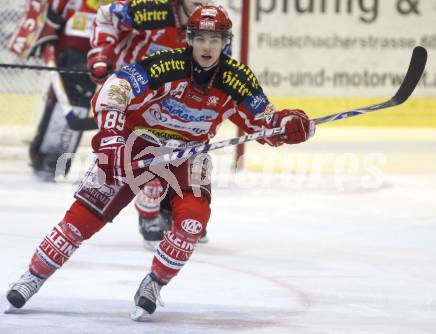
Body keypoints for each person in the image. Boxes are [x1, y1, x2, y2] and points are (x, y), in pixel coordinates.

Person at [6, 4, 315, 320]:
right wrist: (111, 137)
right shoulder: (164, 64)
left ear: (225, 42)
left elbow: (264, 121)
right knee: (82, 218)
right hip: (134, 144)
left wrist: (289, 125)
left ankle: (154, 284)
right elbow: (116, 88)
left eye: (215, 39)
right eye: (202, 38)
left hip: (189, 155)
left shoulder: (237, 80)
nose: (208, 47)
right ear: (189, 39)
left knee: (194, 221)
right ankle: (34, 275)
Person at [87, 0, 210, 248]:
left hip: (174, 105)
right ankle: (148, 211)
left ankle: (174, 207)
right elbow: (105, 16)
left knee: (189, 151)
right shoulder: (150, 10)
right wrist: (102, 54)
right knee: (144, 156)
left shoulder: (210, 25)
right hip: (133, 101)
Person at [13, 0, 113, 180]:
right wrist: (43, 36)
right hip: (68, 56)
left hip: (96, 60)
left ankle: (54, 162)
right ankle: (46, 160)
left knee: (80, 106)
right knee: (65, 107)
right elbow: (47, 19)